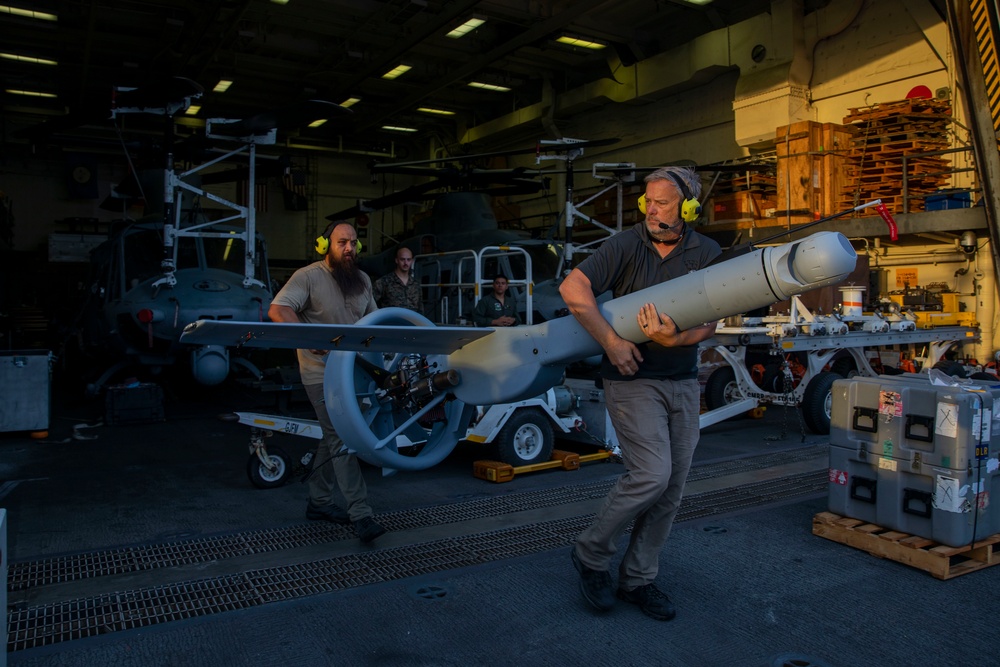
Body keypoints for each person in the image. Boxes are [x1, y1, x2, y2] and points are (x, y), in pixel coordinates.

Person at [558, 166, 721, 620]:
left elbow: (710, 320)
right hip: (631, 379)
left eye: (663, 202)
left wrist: (677, 341)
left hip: (683, 382)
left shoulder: (705, 251)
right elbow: (572, 287)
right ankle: (591, 554)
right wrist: (612, 342)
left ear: (687, 207)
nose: (652, 210)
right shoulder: (626, 244)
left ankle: (637, 579)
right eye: (647, 201)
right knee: (652, 474)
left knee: (671, 490)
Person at [268, 222, 387, 544]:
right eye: (341, 242)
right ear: (325, 246)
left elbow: (376, 322)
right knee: (342, 436)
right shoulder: (307, 276)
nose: (349, 248)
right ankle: (361, 514)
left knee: (331, 437)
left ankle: (318, 502)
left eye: (353, 243)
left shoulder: (362, 280)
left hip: (355, 374)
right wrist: (307, 338)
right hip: (320, 373)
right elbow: (278, 309)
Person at [372, 246, 422, 311]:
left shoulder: (416, 284)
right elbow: (370, 305)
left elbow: (420, 309)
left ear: (412, 261)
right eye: (402, 259)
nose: (406, 263)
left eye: (408, 260)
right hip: (391, 320)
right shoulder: (384, 282)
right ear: (396, 260)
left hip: (411, 320)